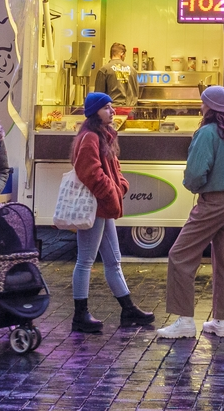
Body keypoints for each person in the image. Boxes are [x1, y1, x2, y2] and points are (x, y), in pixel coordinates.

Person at [157, 85, 224, 339]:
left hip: (215, 201)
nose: (201, 107)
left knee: (180, 255)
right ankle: (220, 322)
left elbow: (195, 173)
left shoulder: (207, 133)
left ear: (209, 107)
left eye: (203, 103)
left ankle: (185, 320)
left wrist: (193, 186)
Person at [70, 92, 154, 333]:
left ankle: (128, 309)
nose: (112, 111)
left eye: (111, 107)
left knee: (113, 261)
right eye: (107, 107)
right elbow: (90, 172)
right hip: (96, 206)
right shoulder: (90, 137)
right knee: (85, 261)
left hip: (103, 206)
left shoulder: (102, 135)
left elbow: (113, 169)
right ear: (95, 111)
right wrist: (110, 192)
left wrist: (120, 186)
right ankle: (80, 315)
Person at [93, 42, 139, 110]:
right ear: (122, 54)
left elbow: (98, 96)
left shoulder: (104, 70)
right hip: (129, 110)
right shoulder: (132, 70)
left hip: (111, 111)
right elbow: (135, 93)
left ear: (110, 55)